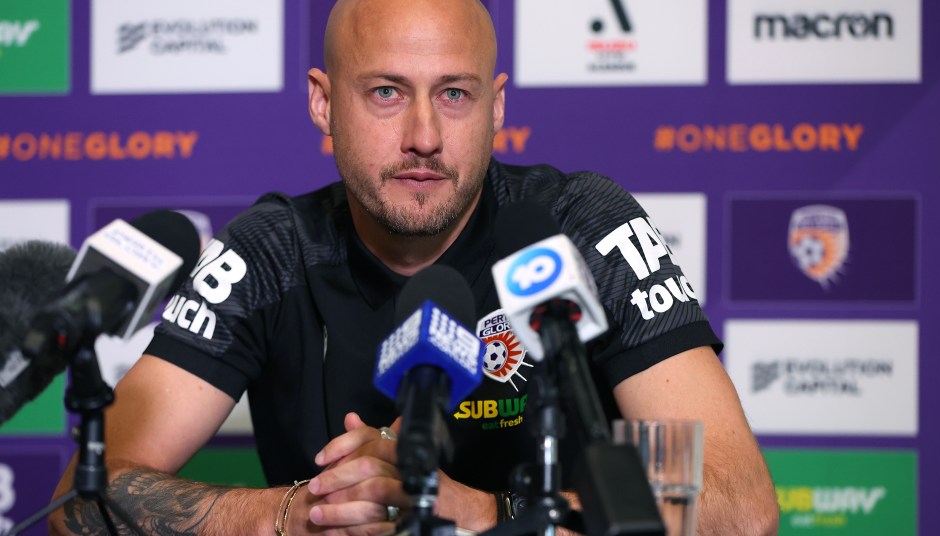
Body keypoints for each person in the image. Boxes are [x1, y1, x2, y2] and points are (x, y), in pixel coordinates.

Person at [50, 0, 779, 534]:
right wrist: (295, 515)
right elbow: (81, 500)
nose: (424, 136)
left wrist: (480, 513)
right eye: (387, 93)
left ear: (496, 108)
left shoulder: (581, 227)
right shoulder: (270, 251)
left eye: (454, 94)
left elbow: (741, 509)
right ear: (323, 103)